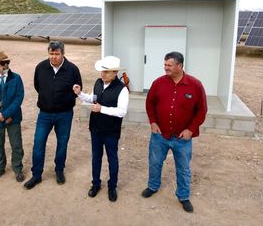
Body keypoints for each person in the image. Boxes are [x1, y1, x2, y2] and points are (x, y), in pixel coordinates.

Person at [141, 51, 207, 213]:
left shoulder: (195, 85)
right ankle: (153, 186)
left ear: (179, 66)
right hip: (159, 135)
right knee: (155, 162)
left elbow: (202, 111)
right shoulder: (158, 83)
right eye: (165, 65)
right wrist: (153, 122)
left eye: (169, 65)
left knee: (183, 168)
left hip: (182, 138)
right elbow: (150, 104)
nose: (165, 68)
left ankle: (183, 196)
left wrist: (191, 130)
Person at [24, 41, 82, 189]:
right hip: (45, 114)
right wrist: (48, 99)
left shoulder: (72, 69)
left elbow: (77, 89)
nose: (54, 57)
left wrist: (64, 101)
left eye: (57, 54)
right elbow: (38, 86)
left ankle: (59, 170)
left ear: (63, 54)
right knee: (38, 144)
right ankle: (36, 175)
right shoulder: (41, 67)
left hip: (64, 114)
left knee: (62, 144)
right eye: (51, 54)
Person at [73, 56, 129, 202]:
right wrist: (80, 94)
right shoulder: (98, 82)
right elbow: (93, 98)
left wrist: (101, 109)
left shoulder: (122, 89)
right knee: (96, 157)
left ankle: (112, 187)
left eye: (106, 72)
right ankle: (96, 184)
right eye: (101, 71)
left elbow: (122, 111)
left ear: (115, 72)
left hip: (111, 130)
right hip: (96, 128)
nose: (102, 74)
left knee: (112, 159)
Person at [0, 52, 25, 182]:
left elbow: (19, 98)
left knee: (16, 145)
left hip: (13, 118)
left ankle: (18, 169)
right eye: (3, 63)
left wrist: (6, 114)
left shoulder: (16, 78)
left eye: (7, 62)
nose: (6, 65)